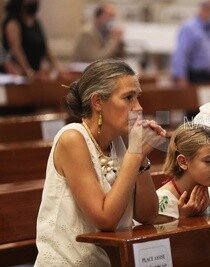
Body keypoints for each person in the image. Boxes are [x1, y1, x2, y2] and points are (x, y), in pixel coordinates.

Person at [34, 58, 166, 266]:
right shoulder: (72, 139)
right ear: (97, 102)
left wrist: (141, 156)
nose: (138, 108)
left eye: (138, 97)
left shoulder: (121, 142)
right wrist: (134, 153)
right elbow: (104, 219)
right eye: (128, 98)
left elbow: (148, 215)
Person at [155, 122, 210, 223]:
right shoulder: (162, 200)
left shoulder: (206, 190)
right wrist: (182, 219)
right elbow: (159, 239)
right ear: (183, 162)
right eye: (208, 161)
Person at [170, 0, 210, 89]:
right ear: (204, 10)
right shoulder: (190, 28)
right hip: (195, 77)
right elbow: (181, 54)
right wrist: (181, 79)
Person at [1, 0, 65, 79]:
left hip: (35, 73)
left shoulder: (36, 22)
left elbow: (45, 47)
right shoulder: (12, 22)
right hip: (18, 75)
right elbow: (16, 49)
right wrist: (28, 71)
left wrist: (57, 66)